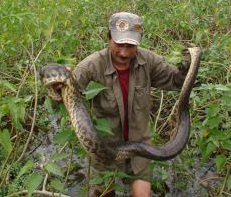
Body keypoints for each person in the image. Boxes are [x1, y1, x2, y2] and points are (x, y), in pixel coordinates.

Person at [69, 12, 191, 197]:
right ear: (108, 38)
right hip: (105, 147)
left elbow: (176, 81)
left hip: (140, 147)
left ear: (139, 42)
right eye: (119, 44)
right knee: (103, 193)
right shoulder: (90, 67)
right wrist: (60, 86)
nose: (124, 52)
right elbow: (66, 99)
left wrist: (188, 66)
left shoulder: (148, 61)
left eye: (131, 45)